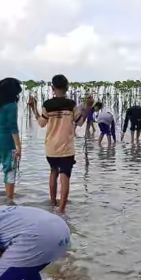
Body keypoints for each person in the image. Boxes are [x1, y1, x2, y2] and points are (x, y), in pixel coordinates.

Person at [30, 74, 90, 214]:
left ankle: (52, 202)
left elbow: (41, 123)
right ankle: (62, 209)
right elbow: (80, 122)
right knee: (65, 177)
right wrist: (88, 107)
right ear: (67, 88)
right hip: (66, 148)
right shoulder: (71, 105)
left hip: (51, 148)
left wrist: (33, 108)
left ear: (53, 88)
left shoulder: (47, 105)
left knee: (53, 173)